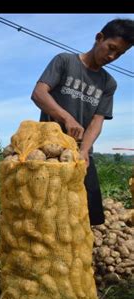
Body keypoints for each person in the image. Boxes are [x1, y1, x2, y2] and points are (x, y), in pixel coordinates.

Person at [31, 18, 133, 225]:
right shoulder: (65, 61)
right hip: (49, 151)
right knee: (48, 213)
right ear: (99, 38)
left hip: (80, 152)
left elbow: (97, 121)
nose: (112, 56)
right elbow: (39, 93)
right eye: (111, 48)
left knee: (90, 213)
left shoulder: (108, 83)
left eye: (120, 54)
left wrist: (84, 150)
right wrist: (66, 117)